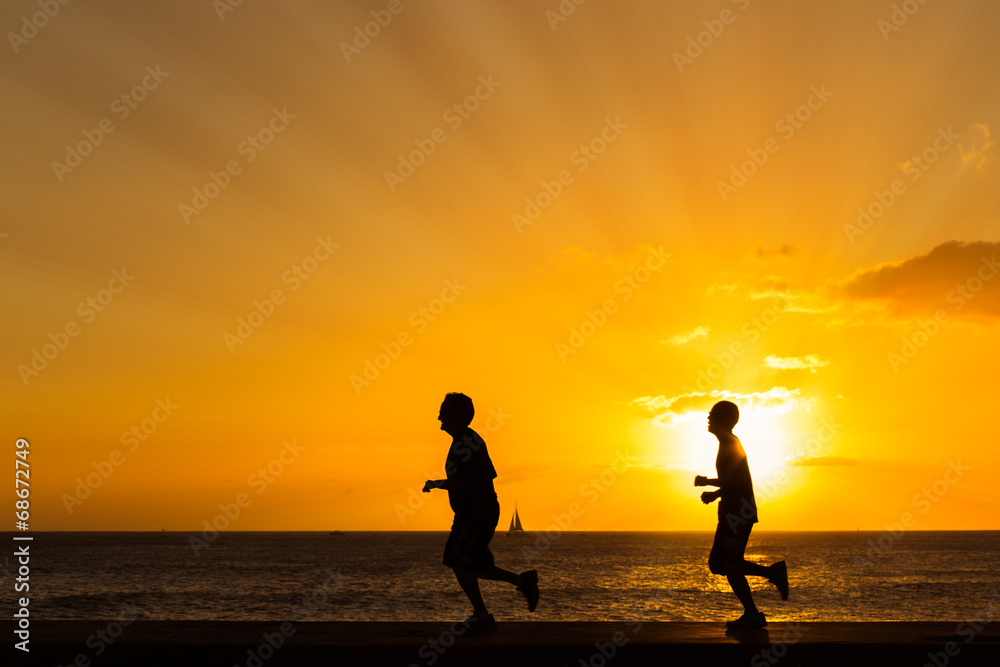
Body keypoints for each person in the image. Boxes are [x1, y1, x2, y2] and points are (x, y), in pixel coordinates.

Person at [423, 392, 539, 631]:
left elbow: (465, 483)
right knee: (476, 565)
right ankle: (522, 581)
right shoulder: (466, 440)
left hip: (474, 515)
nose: (438, 417)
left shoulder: (465, 442)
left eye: (443, 411)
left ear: (455, 415)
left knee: (457, 560)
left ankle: (481, 616)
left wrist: (436, 483)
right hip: (478, 512)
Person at [694, 400, 789, 629]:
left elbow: (738, 481)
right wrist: (716, 494)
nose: (708, 417)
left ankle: (753, 613)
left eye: (713, 414)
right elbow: (736, 481)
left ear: (724, 419)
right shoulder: (726, 442)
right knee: (719, 563)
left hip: (738, 513)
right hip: (734, 511)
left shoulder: (729, 442)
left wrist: (707, 482)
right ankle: (772, 573)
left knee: (728, 563)